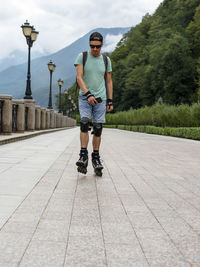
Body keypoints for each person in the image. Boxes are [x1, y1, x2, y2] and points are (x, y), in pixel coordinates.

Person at [74, 31, 113, 176]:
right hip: (85, 98)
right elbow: (79, 78)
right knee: (84, 123)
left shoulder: (106, 60)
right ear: (89, 44)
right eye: (92, 46)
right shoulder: (82, 57)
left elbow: (109, 81)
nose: (95, 49)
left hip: (101, 99)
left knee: (98, 127)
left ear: (102, 45)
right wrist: (88, 94)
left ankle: (95, 157)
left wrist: (110, 100)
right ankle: (83, 155)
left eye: (97, 46)